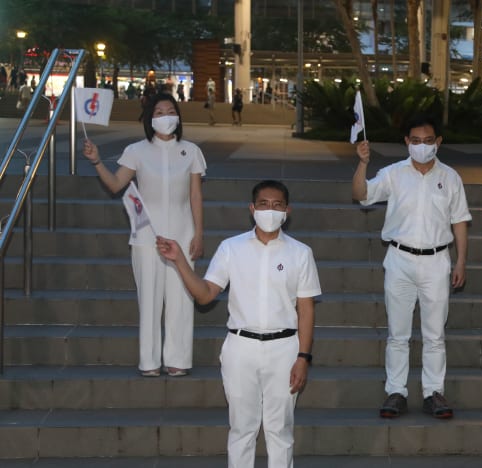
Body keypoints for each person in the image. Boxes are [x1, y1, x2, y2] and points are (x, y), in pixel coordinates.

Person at [156, 179, 320, 468]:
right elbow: (205, 294)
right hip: (240, 347)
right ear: (252, 209)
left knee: (280, 430)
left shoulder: (300, 253)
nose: (270, 210)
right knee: (242, 429)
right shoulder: (231, 248)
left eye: (277, 205)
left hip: (284, 349)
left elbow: (306, 310)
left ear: (287, 211)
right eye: (263, 204)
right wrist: (180, 260)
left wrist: (303, 357)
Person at [352, 115, 471, 419]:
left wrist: (460, 260)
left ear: (438, 142)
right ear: (406, 142)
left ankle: (434, 392)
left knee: (434, 334)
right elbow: (361, 194)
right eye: (415, 141)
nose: (422, 146)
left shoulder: (451, 177)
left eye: (428, 141)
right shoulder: (393, 174)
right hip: (399, 259)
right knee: (398, 333)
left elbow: (459, 220)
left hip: (437, 261)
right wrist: (363, 164)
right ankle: (396, 392)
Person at [82, 93, 206, 378]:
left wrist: (199, 233)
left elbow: (195, 195)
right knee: (149, 297)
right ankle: (149, 362)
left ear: (178, 117)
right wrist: (97, 161)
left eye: (171, 111)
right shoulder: (136, 151)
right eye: (159, 112)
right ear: (150, 119)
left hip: (182, 234)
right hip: (146, 235)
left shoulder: (191, 151)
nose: (166, 117)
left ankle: (178, 359)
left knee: (181, 297)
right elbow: (116, 184)